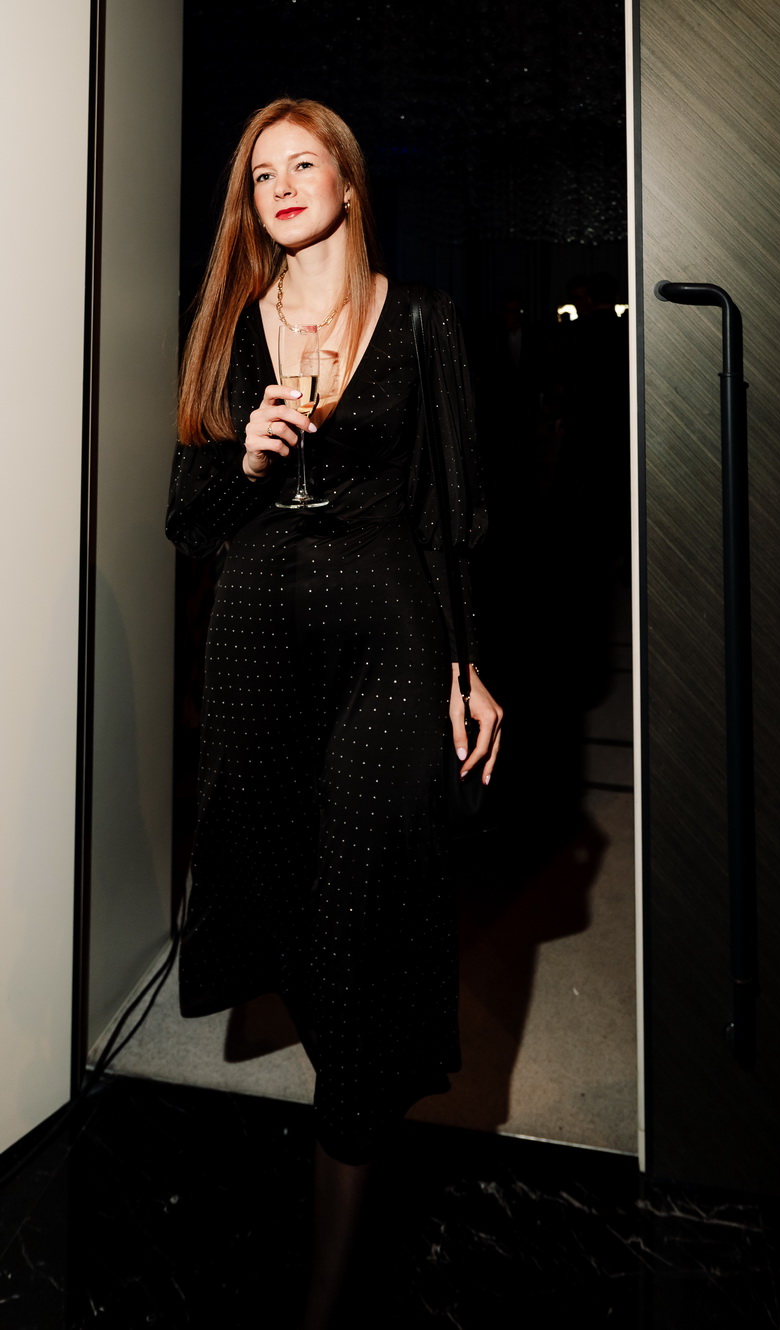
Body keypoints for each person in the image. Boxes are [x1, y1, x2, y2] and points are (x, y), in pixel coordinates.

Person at [166, 98, 502, 1326]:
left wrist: (468, 664)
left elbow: (453, 513)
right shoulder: (228, 327)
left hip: (387, 645)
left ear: (350, 183)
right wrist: (247, 459)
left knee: (367, 910)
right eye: (263, 173)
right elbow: (188, 522)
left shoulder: (419, 320)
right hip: (258, 649)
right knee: (290, 907)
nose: (283, 185)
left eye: (305, 163)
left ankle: (329, 1278)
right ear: (251, 205)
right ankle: (356, 1085)